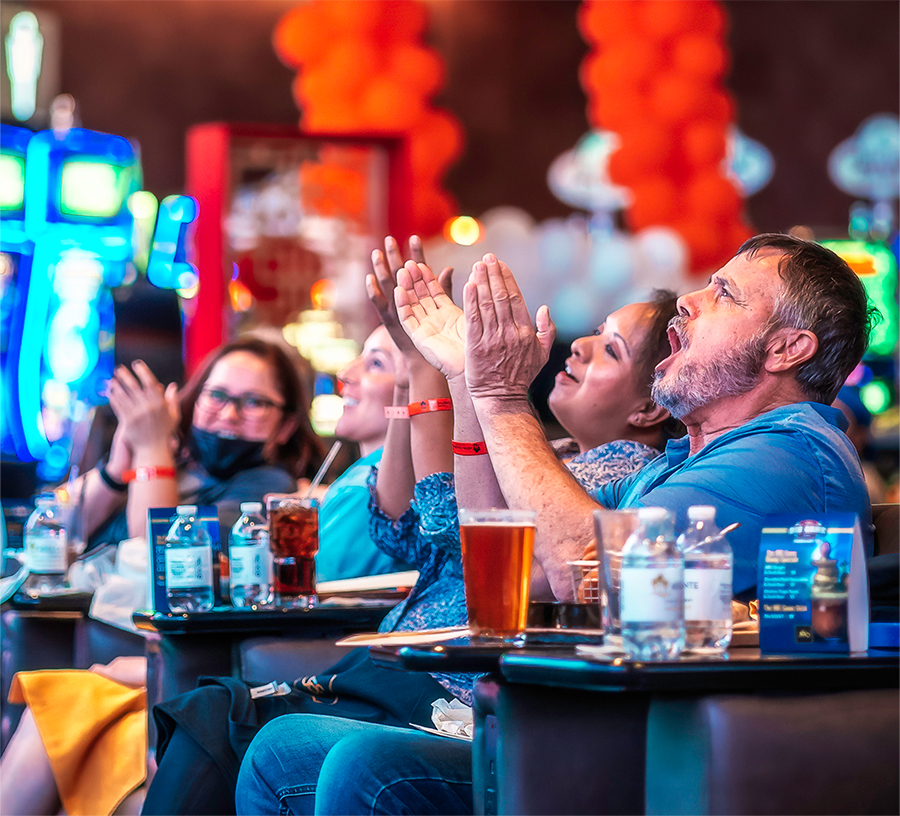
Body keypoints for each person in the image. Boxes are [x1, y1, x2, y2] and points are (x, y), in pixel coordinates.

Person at [305, 233, 879, 816]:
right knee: (293, 750)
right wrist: (466, 380)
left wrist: (501, 396)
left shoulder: (788, 453)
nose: (689, 300)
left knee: (342, 761)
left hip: (648, 752)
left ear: (785, 348)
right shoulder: (681, 460)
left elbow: (583, 566)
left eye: (724, 294)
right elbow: (515, 565)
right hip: (586, 727)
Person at [0, 336, 324, 816]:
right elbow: (57, 525)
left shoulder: (268, 491)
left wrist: (152, 448)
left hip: (172, 661)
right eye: (217, 396)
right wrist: (118, 465)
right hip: (115, 650)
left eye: (253, 402)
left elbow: (155, 555)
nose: (229, 415)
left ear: (286, 424)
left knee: (58, 702)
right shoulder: (184, 469)